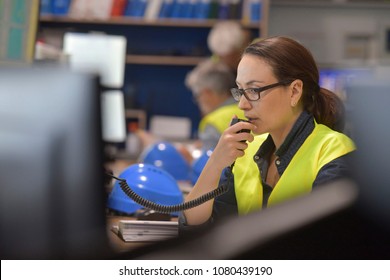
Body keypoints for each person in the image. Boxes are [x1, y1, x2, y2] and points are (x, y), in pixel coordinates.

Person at [180, 36, 356, 230]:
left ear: (295, 91)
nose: (242, 104)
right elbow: (195, 229)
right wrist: (215, 164)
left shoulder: (335, 152)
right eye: (240, 90)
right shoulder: (245, 151)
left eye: (254, 90)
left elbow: (327, 245)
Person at [185, 59, 245, 151]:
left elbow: (209, 161)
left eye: (198, 96)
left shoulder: (212, 121)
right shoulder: (248, 108)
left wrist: (189, 159)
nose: (198, 101)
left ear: (207, 93)